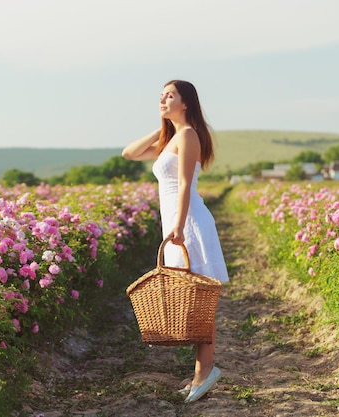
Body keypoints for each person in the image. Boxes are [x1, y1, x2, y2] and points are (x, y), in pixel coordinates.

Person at [121, 80, 229, 403]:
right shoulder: (173, 138)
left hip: (190, 223)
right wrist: (161, 128)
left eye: (170, 96)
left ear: (186, 103)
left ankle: (205, 372)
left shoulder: (188, 136)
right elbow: (129, 153)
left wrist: (179, 227)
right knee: (194, 300)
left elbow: (184, 186)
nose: (163, 100)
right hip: (178, 223)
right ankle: (200, 372)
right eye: (161, 96)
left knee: (202, 301)